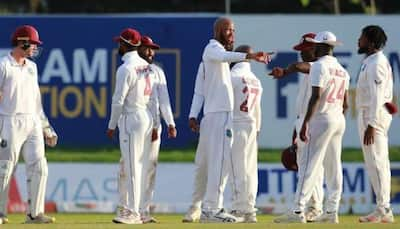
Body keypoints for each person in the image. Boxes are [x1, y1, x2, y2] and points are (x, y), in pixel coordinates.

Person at [196, 17, 271, 223]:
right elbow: (223, 56)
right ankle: (240, 209)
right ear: (218, 30)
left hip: (233, 121)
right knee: (242, 169)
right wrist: (251, 55)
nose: (232, 33)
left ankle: (220, 209)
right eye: (228, 30)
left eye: (233, 30)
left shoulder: (231, 75)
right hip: (241, 123)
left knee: (231, 168)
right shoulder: (212, 49)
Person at [274, 31, 349, 224]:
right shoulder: (343, 70)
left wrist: (306, 122)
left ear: (319, 47)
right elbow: (346, 104)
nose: (310, 49)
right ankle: (331, 211)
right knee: (334, 167)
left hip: (321, 118)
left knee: (308, 165)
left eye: (314, 45)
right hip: (338, 118)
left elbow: (316, 96)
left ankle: (298, 211)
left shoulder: (319, 66)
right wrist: (337, 120)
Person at [116, 35, 177, 224]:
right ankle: (126, 207)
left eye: (153, 49)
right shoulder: (134, 70)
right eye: (147, 48)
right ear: (138, 49)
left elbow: (163, 99)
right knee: (128, 167)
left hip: (152, 126)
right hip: (139, 123)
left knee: (149, 168)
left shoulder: (156, 71)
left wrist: (169, 123)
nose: (151, 52)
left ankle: (143, 209)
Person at [0, 25, 56, 224]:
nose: (35, 48)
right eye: (32, 44)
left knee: (40, 165)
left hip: (32, 121)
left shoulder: (32, 67)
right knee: (5, 168)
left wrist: (46, 127)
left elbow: (36, 100)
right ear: (22, 42)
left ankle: (34, 213)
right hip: (9, 120)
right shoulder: (3, 65)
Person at [269, 33, 324, 222]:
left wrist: (285, 71)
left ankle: (310, 208)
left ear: (314, 49)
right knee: (309, 168)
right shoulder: (312, 70)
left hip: (312, 122)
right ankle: (313, 207)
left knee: (309, 168)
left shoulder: (316, 66)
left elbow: (301, 66)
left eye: (304, 50)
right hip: (304, 120)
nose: (301, 54)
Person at [107, 28, 155, 224]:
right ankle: (137, 210)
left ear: (125, 45)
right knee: (139, 167)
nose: (118, 45)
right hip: (146, 115)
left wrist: (111, 125)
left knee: (132, 166)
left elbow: (118, 101)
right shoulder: (146, 66)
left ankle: (134, 212)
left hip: (131, 118)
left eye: (120, 43)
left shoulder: (125, 69)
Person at [356, 25, 394, 223]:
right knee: (374, 162)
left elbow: (378, 96)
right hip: (370, 115)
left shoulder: (377, 62)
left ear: (371, 42)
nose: (358, 41)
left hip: (373, 116)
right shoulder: (371, 61)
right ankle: (383, 209)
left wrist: (371, 123)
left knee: (378, 162)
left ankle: (383, 207)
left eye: (361, 38)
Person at [229, 45, 263, 223]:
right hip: (251, 125)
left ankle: (238, 208)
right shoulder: (255, 79)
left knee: (236, 168)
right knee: (250, 169)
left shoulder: (231, 76)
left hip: (236, 123)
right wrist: (257, 131)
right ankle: (250, 209)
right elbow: (258, 111)